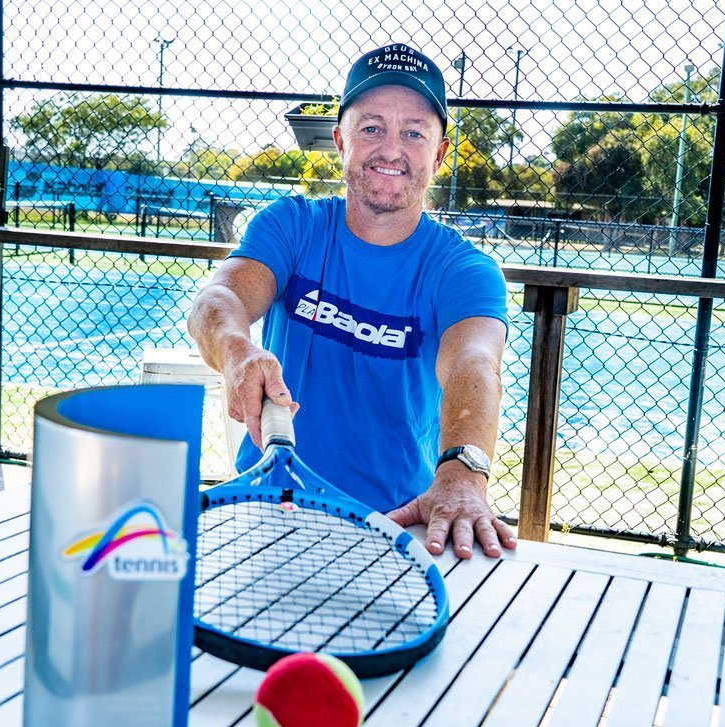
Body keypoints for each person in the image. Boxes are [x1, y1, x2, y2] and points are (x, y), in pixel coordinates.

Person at [187, 43, 515, 559]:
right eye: (371, 128)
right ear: (340, 140)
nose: (391, 149)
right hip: (272, 504)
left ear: (441, 152)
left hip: (396, 525)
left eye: (413, 132)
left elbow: (475, 363)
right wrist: (235, 350)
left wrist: (462, 470)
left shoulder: (465, 270)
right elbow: (220, 295)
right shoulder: (291, 225)